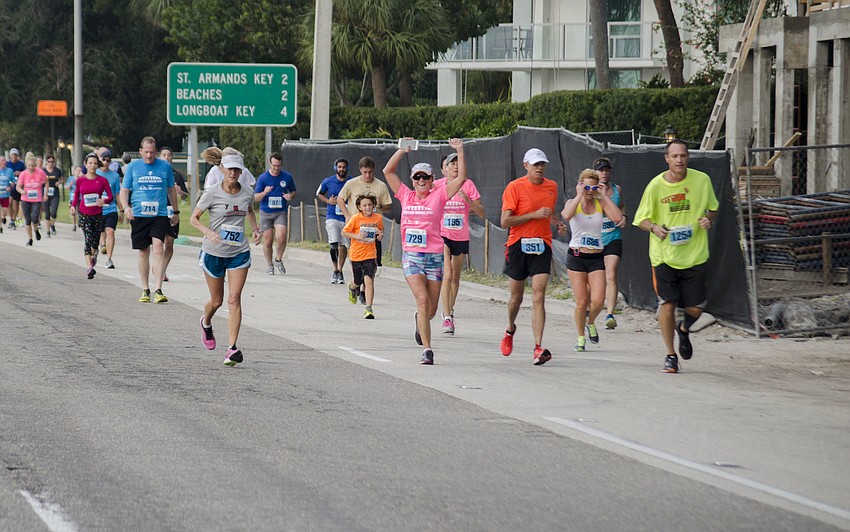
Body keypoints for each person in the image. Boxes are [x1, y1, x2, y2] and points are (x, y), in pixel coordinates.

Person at [633, 140, 719, 374]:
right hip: (664, 256)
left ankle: (684, 329)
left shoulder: (702, 180)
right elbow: (640, 219)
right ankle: (670, 355)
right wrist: (654, 228)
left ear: (687, 158)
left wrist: (708, 219)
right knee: (667, 304)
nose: (679, 160)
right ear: (667, 159)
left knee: (696, 308)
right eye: (675, 156)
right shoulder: (655, 186)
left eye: (683, 155)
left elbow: (713, 208)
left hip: (694, 254)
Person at [383, 138, 469, 365]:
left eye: (425, 177)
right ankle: (428, 350)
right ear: (412, 181)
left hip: (434, 257)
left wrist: (459, 150)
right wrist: (401, 151)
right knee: (422, 300)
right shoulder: (405, 195)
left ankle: (421, 320)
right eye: (417, 177)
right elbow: (387, 171)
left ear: (432, 180)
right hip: (411, 256)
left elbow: (461, 179)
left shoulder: (439, 195)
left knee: (430, 310)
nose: (421, 180)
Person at [190, 153, 261, 366]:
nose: (232, 173)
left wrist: (255, 229)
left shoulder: (247, 191)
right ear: (222, 170)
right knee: (217, 301)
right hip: (214, 252)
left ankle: (231, 348)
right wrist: (207, 232)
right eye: (229, 169)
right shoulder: (212, 193)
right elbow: (194, 219)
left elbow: (248, 210)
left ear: (241, 172)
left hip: (238, 252)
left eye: (236, 170)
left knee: (234, 298)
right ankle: (206, 321)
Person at [500, 148, 567, 366]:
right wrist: (533, 215)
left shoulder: (551, 187)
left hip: (542, 243)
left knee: (539, 295)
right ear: (526, 165)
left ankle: (538, 347)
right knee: (516, 298)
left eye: (542, 164)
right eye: (535, 164)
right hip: (518, 244)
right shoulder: (514, 187)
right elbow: (505, 222)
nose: (539, 168)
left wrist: (557, 223)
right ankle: (510, 328)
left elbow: (550, 211)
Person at [561, 169, 623, 352]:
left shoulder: (600, 203)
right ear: (580, 185)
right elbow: (566, 215)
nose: (590, 190)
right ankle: (580, 337)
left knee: (598, 300)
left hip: (596, 257)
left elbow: (618, 218)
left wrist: (604, 196)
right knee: (581, 301)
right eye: (586, 186)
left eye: (592, 186)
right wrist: (579, 194)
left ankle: (590, 322)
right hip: (577, 257)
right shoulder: (573, 202)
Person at [119, 136, 179, 304]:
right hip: (139, 214)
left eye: (152, 153)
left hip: (159, 214)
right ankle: (145, 289)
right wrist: (126, 207)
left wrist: (175, 211)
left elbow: (171, 190)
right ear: (140, 152)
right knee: (143, 251)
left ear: (156, 152)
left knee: (159, 247)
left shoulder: (165, 166)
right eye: (146, 152)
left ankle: (158, 289)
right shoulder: (133, 167)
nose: (149, 156)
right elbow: (124, 191)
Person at [435, 151, 485, 335]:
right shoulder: (437, 185)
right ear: (445, 169)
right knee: (447, 275)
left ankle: (450, 308)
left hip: (461, 235)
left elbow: (481, 213)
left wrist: (468, 201)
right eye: (451, 163)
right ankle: (447, 318)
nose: (455, 166)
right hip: (442, 234)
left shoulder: (468, 185)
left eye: (458, 163)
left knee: (455, 277)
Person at [338, 156, 393, 301]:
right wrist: (347, 215)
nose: (367, 175)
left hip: (373, 228)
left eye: (370, 172)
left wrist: (380, 206)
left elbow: (388, 207)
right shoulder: (351, 183)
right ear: (360, 170)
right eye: (364, 172)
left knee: (371, 266)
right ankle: (356, 284)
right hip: (356, 229)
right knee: (358, 262)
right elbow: (340, 199)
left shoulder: (380, 186)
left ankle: (365, 293)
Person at [593, 158, 627, 330]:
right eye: (601, 170)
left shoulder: (616, 189)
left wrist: (624, 217)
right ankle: (590, 308)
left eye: (607, 170)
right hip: (595, 239)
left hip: (613, 237)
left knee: (611, 273)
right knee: (594, 278)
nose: (604, 173)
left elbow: (622, 207)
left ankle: (610, 314)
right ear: (595, 173)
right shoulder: (591, 191)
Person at [70, 153, 114, 279]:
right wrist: (73, 206)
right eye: (90, 163)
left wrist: (103, 201)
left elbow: (110, 197)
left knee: (94, 242)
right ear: (86, 164)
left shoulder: (102, 180)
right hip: (84, 213)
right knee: (88, 239)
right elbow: (77, 195)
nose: (93, 165)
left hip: (97, 214)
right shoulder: (81, 180)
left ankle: (94, 255)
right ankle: (89, 267)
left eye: (95, 163)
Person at [342, 194, 384, 319]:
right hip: (356, 254)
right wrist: (358, 236)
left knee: (369, 280)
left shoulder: (378, 218)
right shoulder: (355, 219)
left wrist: (380, 235)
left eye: (370, 205)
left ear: (374, 206)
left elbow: (380, 231)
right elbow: (344, 232)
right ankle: (352, 287)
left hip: (370, 254)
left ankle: (369, 308)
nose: (368, 207)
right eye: (364, 205)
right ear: (359, 207)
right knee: (358, 281)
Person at [253, 152, 296, 275]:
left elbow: (293, 191)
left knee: (281, 237)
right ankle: (269, 264)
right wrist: (265, 192)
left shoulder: (287, 177)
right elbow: (256, 198)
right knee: (268, 240)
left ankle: (278, 259)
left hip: (280, 212)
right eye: (274, 165)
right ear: (270, 164)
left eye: (279, 166)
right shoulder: (263, 178)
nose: (276, 168)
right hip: (266, 212)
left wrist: (290, 196)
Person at [316, 157, 352, 284]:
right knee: (334, 243)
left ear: (347, 168)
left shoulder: (351, 182)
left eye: (343, 167)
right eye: (339, 167)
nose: (341, 169)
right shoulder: (328, 181)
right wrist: (327, 201)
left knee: (343, 246)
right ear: (335, 168)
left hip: (347, 217)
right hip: (332, 216)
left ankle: (340, 271)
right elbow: (318, 193)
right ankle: (334, 269)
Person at [159, 146, 189, 281]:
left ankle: (163, 270)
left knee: (169, 242)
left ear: (172, 158)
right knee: (158, 243)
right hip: (158, 212)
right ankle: (157, 268)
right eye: (164, 155)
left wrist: (180, 192)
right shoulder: (155, 173)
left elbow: (185, 197)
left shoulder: (177, 175)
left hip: (172, 212)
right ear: (159, 157)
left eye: (169, 155)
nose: (166, 157)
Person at [96, 149, 123, 269]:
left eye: (108, 160)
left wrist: (121, 210)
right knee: (100, 231)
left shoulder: (115, 176)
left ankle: (109, 259)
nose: (106, 162)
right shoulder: (94, 173)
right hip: (97, 209)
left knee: (110, 231)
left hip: (111, 208)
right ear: (99, 160)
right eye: (103, 159)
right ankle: (102, 244)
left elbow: (117, 194)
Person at [16, 153, 49, 246]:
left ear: (35, 164)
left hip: (36, 200)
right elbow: (18, 186)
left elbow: (46, 182)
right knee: (27, 220)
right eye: (29, 166)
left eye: (33, 166)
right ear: (26, 165)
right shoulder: (23, 174)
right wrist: (21, 191)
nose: (31, 167)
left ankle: (35, 229)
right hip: (25, 199)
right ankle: (30, 239)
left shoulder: (40, 173)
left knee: (34, 218)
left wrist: (45, 194)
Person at [42, 154, 63, 236]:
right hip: (45, 193)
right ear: (46, 162)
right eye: (49, 162)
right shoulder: (43, 171)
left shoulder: (57, 171)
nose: (50, 163)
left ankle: (52, 224)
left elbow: (61, 179)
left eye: (52, 162)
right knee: (47, 213)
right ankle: (48, 231)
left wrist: (59, 182)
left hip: (55, 193)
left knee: (53, 212)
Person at [7, 148, 25, 228]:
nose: (14, 156)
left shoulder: (21, 164)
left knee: (16, 204)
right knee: (9, 203)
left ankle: (13, 220)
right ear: (10, 156)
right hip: (9, 185)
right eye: (13, 155)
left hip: (18, 186)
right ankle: (11, 218)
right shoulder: (7, 164)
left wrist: (20, 173)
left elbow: (25, 173)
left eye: (15, 155)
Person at [0, 156, 13, 232]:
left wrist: (10, 187)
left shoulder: (9, 171)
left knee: (4, 211)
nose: (4, 162)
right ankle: (0, 227)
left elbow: (13, 181)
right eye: (2, 160)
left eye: (5, 160)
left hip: (5, 195)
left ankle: (3, 217)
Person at [67, 166, 81, 231]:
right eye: (77, 170)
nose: (78, 172)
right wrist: (70, 184)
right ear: (74, 171)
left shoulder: (82, 178)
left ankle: (80, 221)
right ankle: (74, 225)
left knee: (80, 211)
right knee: (73, 211)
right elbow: (67, 188)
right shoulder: (71, 178)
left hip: (80, 197)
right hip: (72, 197)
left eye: (80, 170)